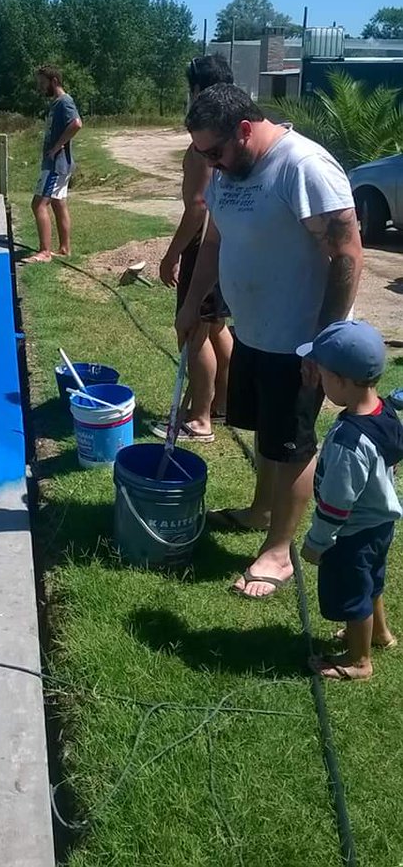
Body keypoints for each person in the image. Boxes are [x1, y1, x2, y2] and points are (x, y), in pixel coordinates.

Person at [176, 85, 363, 599]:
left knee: (292, 445)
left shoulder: (303, 167)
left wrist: (323, 340)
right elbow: (215, 241)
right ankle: (261, 510)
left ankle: (279, 551)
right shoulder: (229, 171)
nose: (209, 163)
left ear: (244, 129)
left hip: (298, 341)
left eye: (214, 151)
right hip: (253, 330)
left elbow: (348, 252)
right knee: (266, 431)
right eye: (201, 154)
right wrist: (193, 301)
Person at [298, 320, 402, 681]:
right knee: (371, 582)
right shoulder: (383, 412)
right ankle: (380, 634)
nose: (320, 381)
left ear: (342, 381)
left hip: (352, 532)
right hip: (380, 524)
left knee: (353, 593)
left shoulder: (349, 441)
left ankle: (359, 661)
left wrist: (317, 542)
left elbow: (336, 503)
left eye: (324, 375)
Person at [157, 54, 234, 443]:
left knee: (193, 331)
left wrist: (172, 254)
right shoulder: (230, 136)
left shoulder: (201, 146)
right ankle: (223, 402)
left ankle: (200, 419)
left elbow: (198, 207)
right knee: (216, 326)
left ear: (199, 90)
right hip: (227, 246)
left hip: (205, 246)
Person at [25, 66, 82, 264]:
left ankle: (45, 252)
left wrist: (57, 146)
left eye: (43, 83)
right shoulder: (57, 103)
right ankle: (65, 249)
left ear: (54, 81)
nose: (41, 87)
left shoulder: (64, 101)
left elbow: (76, 123)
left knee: (38, 204)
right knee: (58, 203)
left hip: (56, 165)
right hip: (59, 164)